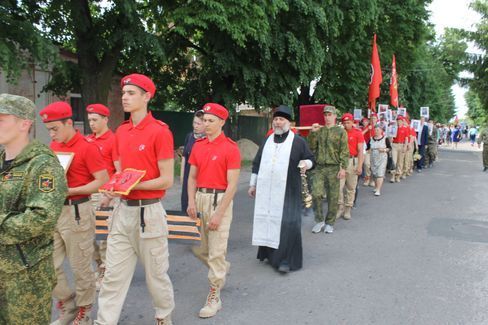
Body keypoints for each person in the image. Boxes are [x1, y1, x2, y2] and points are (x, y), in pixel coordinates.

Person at [96, 74, 175, 325]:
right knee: (112, 277)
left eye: (131, 93)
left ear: (146, 96)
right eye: (123, 93)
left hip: (148, 214)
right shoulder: (121, 131)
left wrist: (132, 185)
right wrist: (112, 191)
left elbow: (166, 180)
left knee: (156, 277)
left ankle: (163, 316)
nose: (125, 98)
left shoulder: (160, 132)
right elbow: (119, 173)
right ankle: (104, 321)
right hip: (122, 212)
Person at [0, 94, 67, 324]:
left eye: (1, 119)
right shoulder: (1, 161)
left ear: (24, 124)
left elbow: (41, 218)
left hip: (25, 274)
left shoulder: (43, 164)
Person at [40, 101, 109, 325]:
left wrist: (70, 190)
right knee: (47, 264)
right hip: (56, 211)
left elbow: (102, 181)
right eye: (48, 129)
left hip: (78, 210)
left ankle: (84, 311)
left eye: (55, 128)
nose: (51, 134)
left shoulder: (87, 147)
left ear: (69, 123)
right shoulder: (53, 146)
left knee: (80, 267)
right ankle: (68, 305)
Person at [187, 103, 241, 318]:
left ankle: (214, 295)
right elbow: (191, 177)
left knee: (216, 250)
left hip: (220, 201)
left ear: (221, 122)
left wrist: (219, 213)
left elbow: (233, 185)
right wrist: (191, 202)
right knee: (198, 249)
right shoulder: (198, 146)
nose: (206, 124)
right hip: (199, 198)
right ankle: (221, 267)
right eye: (204, 120)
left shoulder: (230, 148)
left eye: (210, 121)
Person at [249, 105, 315, 273]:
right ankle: (268, 255)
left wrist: (305, 164)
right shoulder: (267, 140)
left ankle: (285, 260)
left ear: (289, 122)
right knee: (268, 219)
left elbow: (311, 159)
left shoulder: (298, 141)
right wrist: (252, 184)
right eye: (276, 119)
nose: (278, 122)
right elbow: (257, 163)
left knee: (288, 224)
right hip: (267, 190)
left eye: (281, 119)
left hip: (289, 191)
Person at [85, 103, 116, 289]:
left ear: (105, 119)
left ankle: (105, 269)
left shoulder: (114, 140)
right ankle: (99, 264)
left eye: (95, 120)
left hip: (105, 194)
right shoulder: (87, 141)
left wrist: (111, 195)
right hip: (87, 193)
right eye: (89, 120)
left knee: (104, 237)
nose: (92, 124)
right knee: (87, 238)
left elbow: (118, 170)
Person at [308, 105, 349, 234]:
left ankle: (330, 222)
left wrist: (343, 168)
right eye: (325, 115)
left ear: (335, 116)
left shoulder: (340, 131)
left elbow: (344, 151)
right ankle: (319, 220)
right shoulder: (319, 130)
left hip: (334, 167)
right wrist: (313, 133)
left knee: (333, 197)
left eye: (330, 115)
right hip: (320, 167)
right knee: (316, 194)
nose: (327, 117)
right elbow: (311, 147)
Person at [337, 113, 364, 220]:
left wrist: (360, 166)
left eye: (348, 122)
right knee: (338, 186)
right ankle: (340, 207)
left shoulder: (358, 133)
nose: (346, 124)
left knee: (351, 187)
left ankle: (348, 209)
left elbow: (361, 151)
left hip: (353, 161)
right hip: (341, 162)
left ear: (352, 122)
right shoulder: (340, 133)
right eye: (344, 123)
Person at [181, 110, 205, 212]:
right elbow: (184, 156)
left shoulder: (207, 140)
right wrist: (182, 176)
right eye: (194, 123)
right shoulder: (189, 136)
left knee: (197, 209)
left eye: (199, 123)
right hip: (187, 176)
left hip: (200, 178)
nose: (195, 126)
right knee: (186, 206)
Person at [370, 125, 391, 196]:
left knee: (380, 173)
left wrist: (384, 150)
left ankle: (378, 189)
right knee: (374, 173)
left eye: (378, 130)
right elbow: (367, 148)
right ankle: (376, 187)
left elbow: (389, 148)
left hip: (382, 158)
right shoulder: (371, 139)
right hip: (373, 158)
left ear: (381, 131)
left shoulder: (385, 138)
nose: (376, 131)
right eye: (375, 130)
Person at [390, 116, 410, 182]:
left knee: (400, 162)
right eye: (398, 120)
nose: (399, 122)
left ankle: (398, 175)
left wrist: (405, 146)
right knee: (394, 161)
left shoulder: (405, 129)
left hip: (401, 145)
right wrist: (391, 139)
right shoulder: (394, 128)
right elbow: (390, 137)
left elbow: (406, 139)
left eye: (400, 121)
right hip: (394, 145)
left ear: (402, 121)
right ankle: (393, 176)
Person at [361, 117, 374, 187]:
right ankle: (367, 178)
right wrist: (367, 129)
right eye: (364, 121)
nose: (365, 122)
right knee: (366, 164)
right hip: (364, 149)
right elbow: (360, 134)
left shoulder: (373, 128)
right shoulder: (360, 129)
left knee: (372, 165)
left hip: (372, 149)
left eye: (366, 121)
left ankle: (372, 179)